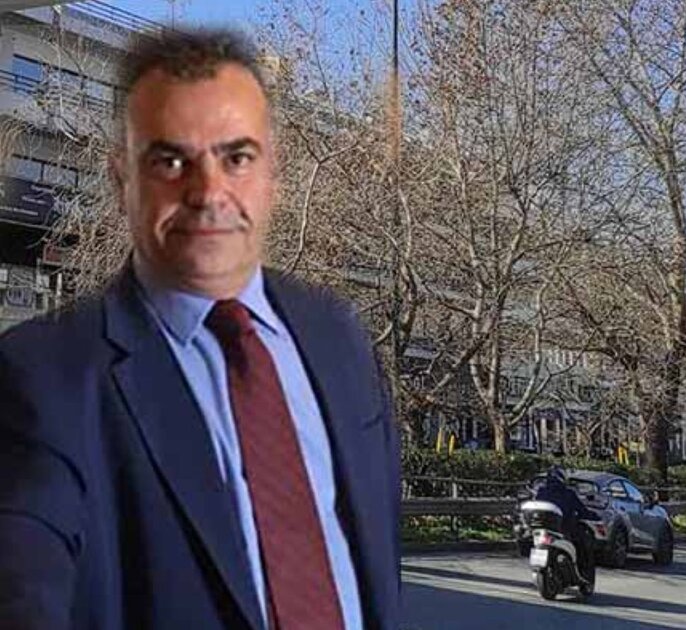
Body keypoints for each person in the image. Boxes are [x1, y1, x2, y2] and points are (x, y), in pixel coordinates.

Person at [0, 29, 402, 629]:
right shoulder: (40, 377)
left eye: (236, 158)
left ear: (273, 176)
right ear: (122, 180)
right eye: (170, 161)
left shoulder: (337, 335)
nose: (209, 192)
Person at [533, 466, 601, 585]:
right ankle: (582, 572)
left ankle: (577, 573)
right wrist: (594, 516)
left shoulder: (541, 491)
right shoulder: (567, 493)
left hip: (542, 529)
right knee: (582, 544)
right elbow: (581, 510)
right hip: (564, 529)